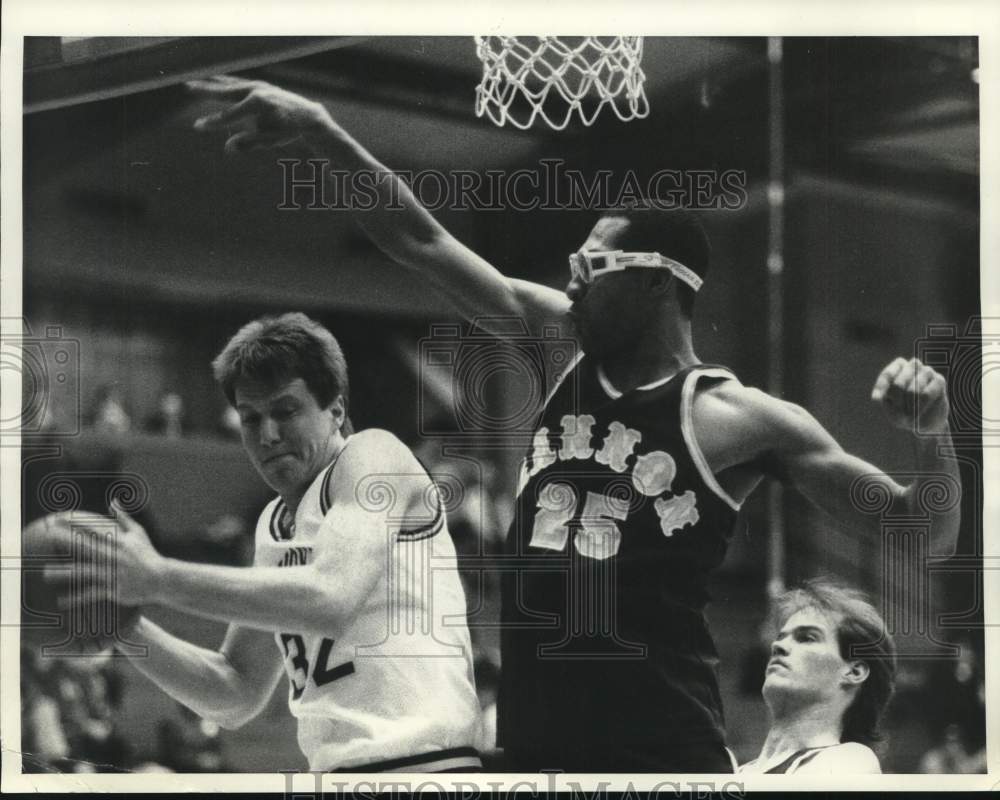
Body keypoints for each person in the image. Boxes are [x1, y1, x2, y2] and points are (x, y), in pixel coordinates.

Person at [187, 77, 960, 772]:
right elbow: (422, 241)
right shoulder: (560, 341)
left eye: (592, 267)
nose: (571, 282)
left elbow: (918, 529)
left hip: (660, 751)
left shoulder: (734, 419)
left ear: (657, 283)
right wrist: (320, 128)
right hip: (535, 741)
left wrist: (932, 435)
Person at [60, 313, 482, 772]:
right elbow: (234, 691)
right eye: (251, 418)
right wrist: (124, 626)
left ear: (336, 411)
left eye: (285, 411)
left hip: (428, 769)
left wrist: (159, 578)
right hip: (337, 775)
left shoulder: (373, 455)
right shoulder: (275, 524)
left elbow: (332, 599)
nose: (267, 435)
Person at [738, 579, 895, 774]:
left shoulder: (851, 761)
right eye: (780, 637)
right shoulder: (739, 773)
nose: (777, 646)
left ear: (854, 672)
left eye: (807, 638)